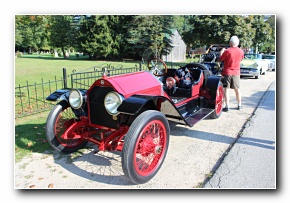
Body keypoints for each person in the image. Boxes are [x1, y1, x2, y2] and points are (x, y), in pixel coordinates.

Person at [218, 35, 244, 111]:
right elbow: (241, 59)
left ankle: (227, 106)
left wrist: (221, 52)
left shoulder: (227, 51)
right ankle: (239, 105)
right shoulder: (241, 51)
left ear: (230, 43)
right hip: (236, 72)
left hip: (227, 72)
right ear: (238, 43)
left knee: (226, 89)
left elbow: (220, 59)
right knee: (237, 89)